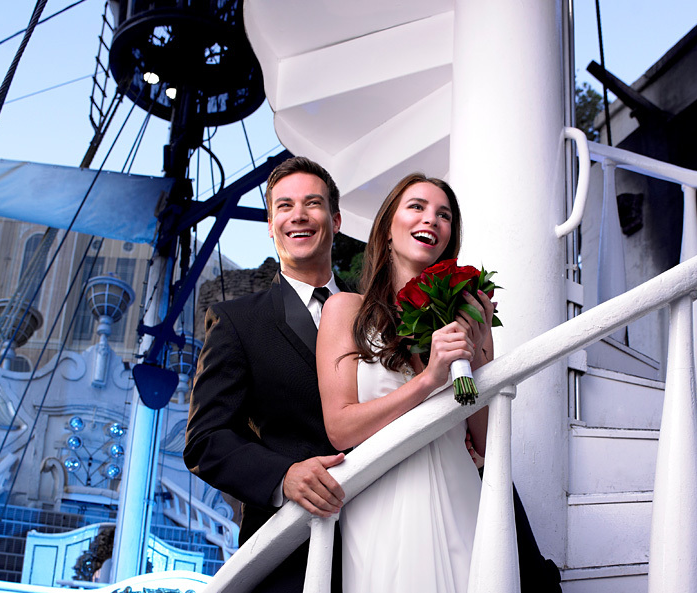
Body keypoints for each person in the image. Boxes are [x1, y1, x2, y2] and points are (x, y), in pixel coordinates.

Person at [316, 173, 495, 593]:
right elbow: (340, 427)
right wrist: (430, 378)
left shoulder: (465, 320)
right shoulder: (345, 310)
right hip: (384, 503)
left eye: (444, 214)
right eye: (416, 206)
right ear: (388, 229)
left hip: (460, 494)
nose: (431, 219)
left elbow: (487, 440)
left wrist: (480, 344)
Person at [184, 156, 347, 593]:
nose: (298, 215)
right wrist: (283, 476)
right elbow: (206, 439)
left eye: (312, 203)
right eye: (285, 205)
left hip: (388, 530)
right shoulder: (236, 321)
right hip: (289, 544)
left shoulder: (378, 313)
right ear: (271, 223)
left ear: (334, 219)